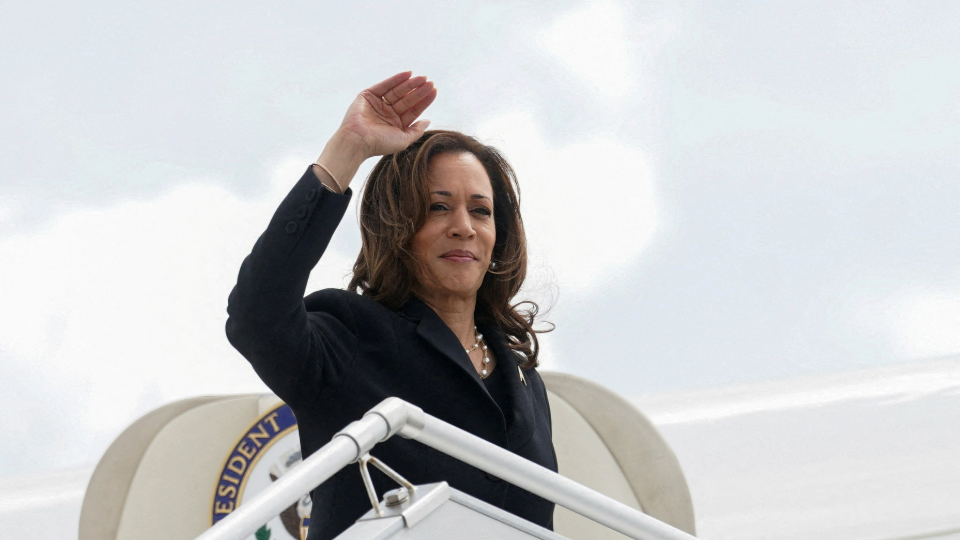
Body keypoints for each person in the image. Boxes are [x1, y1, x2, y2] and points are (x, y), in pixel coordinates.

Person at [226, 72, 557, 540]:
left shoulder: (526, 383)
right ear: (397, 225)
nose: (464, 226)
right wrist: (349, 148)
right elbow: (256, 315)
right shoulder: (350, 337)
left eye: (481, 211)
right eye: (438, 207)